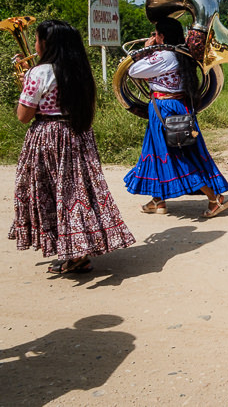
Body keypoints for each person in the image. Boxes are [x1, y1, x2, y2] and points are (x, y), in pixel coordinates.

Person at [9, 20, 135, 274]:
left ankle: (75, 253)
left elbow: (23, 115)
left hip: (48, 137)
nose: (34, 45)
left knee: (51, 194)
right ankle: (80, 250)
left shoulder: (38, 73)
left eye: (36, 40)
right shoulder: (80, 71)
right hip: (78, 135)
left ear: (47, 43)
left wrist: (27, 86)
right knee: (77, 193)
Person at [123, 18, 228, 218]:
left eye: (155, 34)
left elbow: (133, 70)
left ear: (162, 36)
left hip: (165, 109)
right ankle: (158, 201)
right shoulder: (179, 54)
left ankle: (214, 197)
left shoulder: (164, 56)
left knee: (173, 155)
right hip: (173, 107)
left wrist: (146, 51)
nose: (153, 38)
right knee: (155, 153)